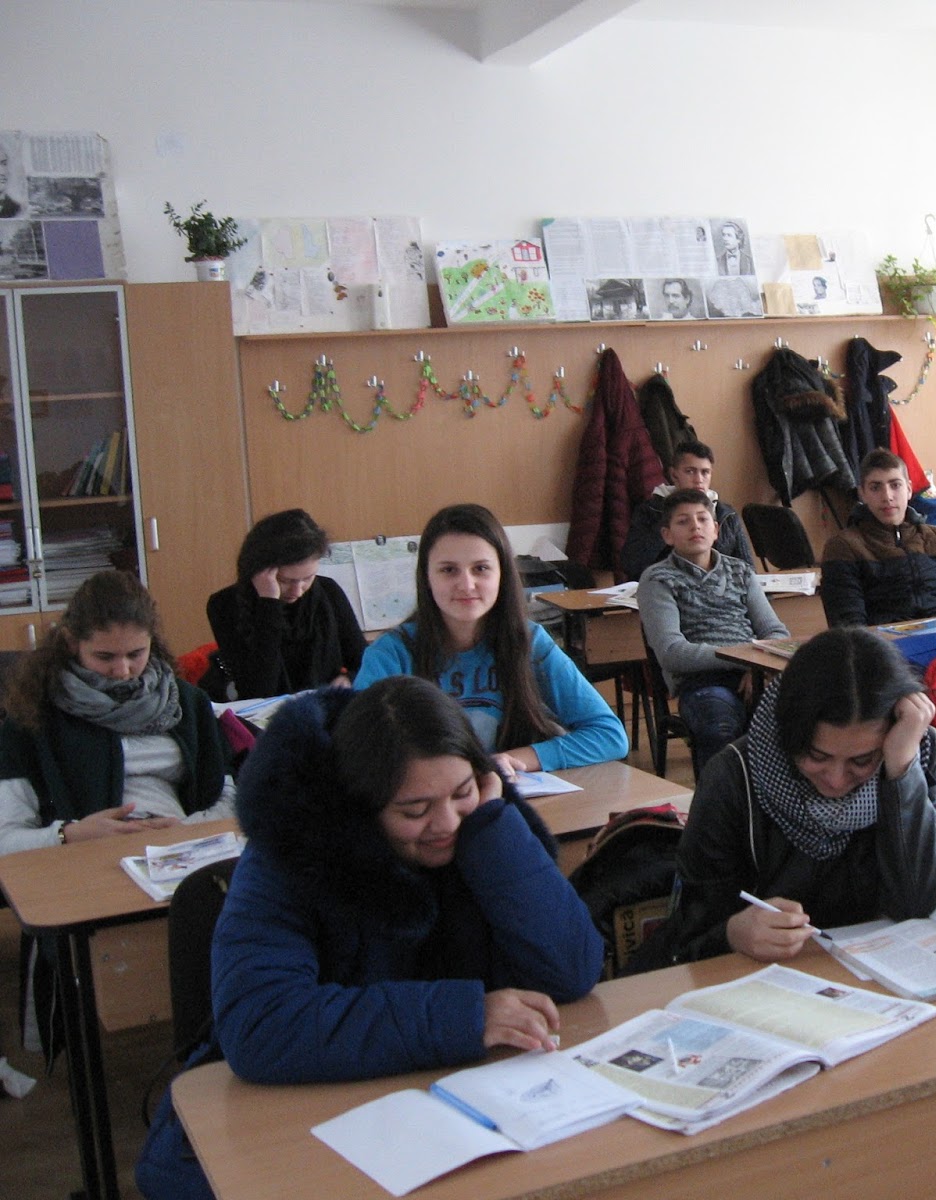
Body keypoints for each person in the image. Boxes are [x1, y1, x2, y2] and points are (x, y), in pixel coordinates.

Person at [136, 675, 604, 1200]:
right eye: (414, 810)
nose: (447, 823)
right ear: (359, 806)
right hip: (307, 1116)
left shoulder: (487, 828)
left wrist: (495, 826)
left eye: (462, 792)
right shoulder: (289, 855)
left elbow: (572, 970)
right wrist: (466, 1016)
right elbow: (262, 1024)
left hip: (449, 1110)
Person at [663, 627, 936, 963]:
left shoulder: (916, 754)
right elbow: (688, 937)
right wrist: (731, 933)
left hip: (880, 969)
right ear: (791, 735)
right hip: (762, 976)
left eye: (861, 760)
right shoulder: (732, 777)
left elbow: (922, 905)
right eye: (817, 756)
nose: (836, 780)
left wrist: (901, 771)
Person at [355, 504, 628, 772]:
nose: (466, 585)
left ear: (502, 575)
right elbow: (357, 750)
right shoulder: (392, 653)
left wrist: (515, 759)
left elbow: (609, 735)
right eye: (448, 570)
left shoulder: (530, 642)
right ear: (426, 577)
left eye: (481, 568)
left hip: (513, 792)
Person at [0, 570, 235, 859]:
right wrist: (70, 834)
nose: (122, 671)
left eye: (136, 654)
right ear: (72, 643)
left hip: (182, 850)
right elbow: (6, 839)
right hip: (84, 858)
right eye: (105, 657)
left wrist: (186, 830)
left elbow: (230, 796)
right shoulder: (33, 715)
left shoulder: (186, 702)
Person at [638, 489, 790, 773]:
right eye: (683, 521)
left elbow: (776, 632)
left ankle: (781, 795)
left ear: (716, 529)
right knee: (718, 721)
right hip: (702, 682)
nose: (695, 527)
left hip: (754, 674)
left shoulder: (740, 571)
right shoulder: (658, 579)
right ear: (667, 535)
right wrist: (746, 659)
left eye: (702, 519)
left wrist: (758, 668)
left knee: (806, 713)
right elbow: (672, 653)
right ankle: (722, 798)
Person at [205, 508, 366, 700]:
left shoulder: (328, 592)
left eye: (308, 578)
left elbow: (364, 662)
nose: (297, 591)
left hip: (326, 707)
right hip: (265, 714)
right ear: (259, 570)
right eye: (285, 580)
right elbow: (257, 690)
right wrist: (269, 604)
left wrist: (348, 678)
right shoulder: (224, 605)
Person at [821, 448, 936, 627]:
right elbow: (849, 627)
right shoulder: (844, 546)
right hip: (886, 642)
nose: (887, 496)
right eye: (875, 487)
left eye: (895, 485)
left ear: (908, 489)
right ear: (862, 494)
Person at [619, 439, 755, 582]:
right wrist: (669, 519)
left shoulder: (726, 514)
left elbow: (748, 570)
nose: (699, 480)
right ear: (674, 474)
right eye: (690, 471)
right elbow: (631, 564)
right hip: (665, 586)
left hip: (721, 588)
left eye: (705, 472)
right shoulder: (651, 510)